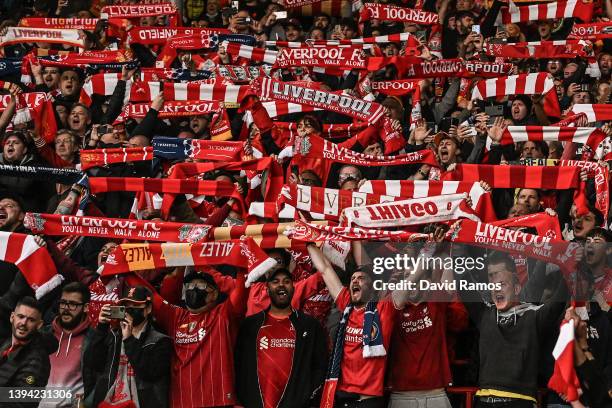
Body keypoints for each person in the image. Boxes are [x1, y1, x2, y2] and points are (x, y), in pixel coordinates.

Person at [457, 251, 568, 407]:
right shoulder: (485, 314)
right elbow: (463, 282)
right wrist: (454, 247)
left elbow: (560, 298)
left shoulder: (534, 316)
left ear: (516, 289)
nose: (496, 289)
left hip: (520, 401)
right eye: (493, 286)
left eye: (502, 284)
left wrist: (573, 265)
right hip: (483, 400)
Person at [307, 243, 399, 408]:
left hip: (368, 402)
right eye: (353, 279)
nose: (355, 281)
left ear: (372, 287)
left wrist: (428, 251)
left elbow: (411, 282)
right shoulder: (346, 304)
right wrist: (309, 241)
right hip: (342, 399)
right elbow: (325, 269)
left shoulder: (384, 309)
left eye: (361, 278)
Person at [235, 268, 328, 408]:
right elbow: (239, 365)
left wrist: (305, 397)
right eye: (275, 281)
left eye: (286, 281)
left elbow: (321, 366)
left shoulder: (309, 325)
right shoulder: (250, 325)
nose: (281, 285)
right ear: (267, 288)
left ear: (293, 287)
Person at [85, 286, 171, 407]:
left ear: (148, 309)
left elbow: (150, 373)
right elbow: (92, 363)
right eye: (126, 306)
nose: (129, 310)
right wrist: (101, 328)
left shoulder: (161, 341)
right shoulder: (113, 336)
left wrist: (129, 339)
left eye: (135, 306)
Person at [39, 282, 95, 408]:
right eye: (63, 303)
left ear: (86, 307)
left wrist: (86, 403)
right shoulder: (43, 334)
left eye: (73, 304)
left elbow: (99, 381)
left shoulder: (93, 339)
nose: (66, 308)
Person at [0, 297, 56, 407]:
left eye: (31, 320)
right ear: (12, 317)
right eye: (20, 317)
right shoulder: (7, 341)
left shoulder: (38, 360)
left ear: (39, 325)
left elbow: (21, 404)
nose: (23, 323)